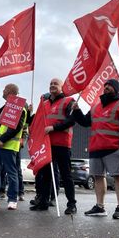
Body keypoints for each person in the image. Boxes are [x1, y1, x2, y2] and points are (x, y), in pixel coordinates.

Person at [72, 79, 119, 219]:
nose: (106, 87)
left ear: (116, 89)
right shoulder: (95, 106)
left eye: (109, 86)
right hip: (95, 148)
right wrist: (77, 111)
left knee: (118, 177)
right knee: (98, 177)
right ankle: (100, 207)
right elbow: (84, 122)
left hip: (114, 149)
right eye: (105, 85)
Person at [29, 78, 77, 215]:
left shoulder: (69, 101)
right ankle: (43, 202)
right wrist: (29, 115)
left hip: (62, 145)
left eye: (55, 84)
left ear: (62, 87)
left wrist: (54, 128)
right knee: (45, 175)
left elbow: (72, 120)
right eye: (50, 84)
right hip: (47, 145)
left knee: (66, 175)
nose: (52, 86)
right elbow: (36, 123)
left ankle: (72, 204)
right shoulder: (44, 104)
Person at [0, 83, 27, 210]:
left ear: (9, 92)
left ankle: (12, 199)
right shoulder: (3, 108)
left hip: (8, 145)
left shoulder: (20, 108)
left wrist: (3, 139)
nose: (2, 91)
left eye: (4, 89)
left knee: (11, 173)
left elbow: (17, 127)